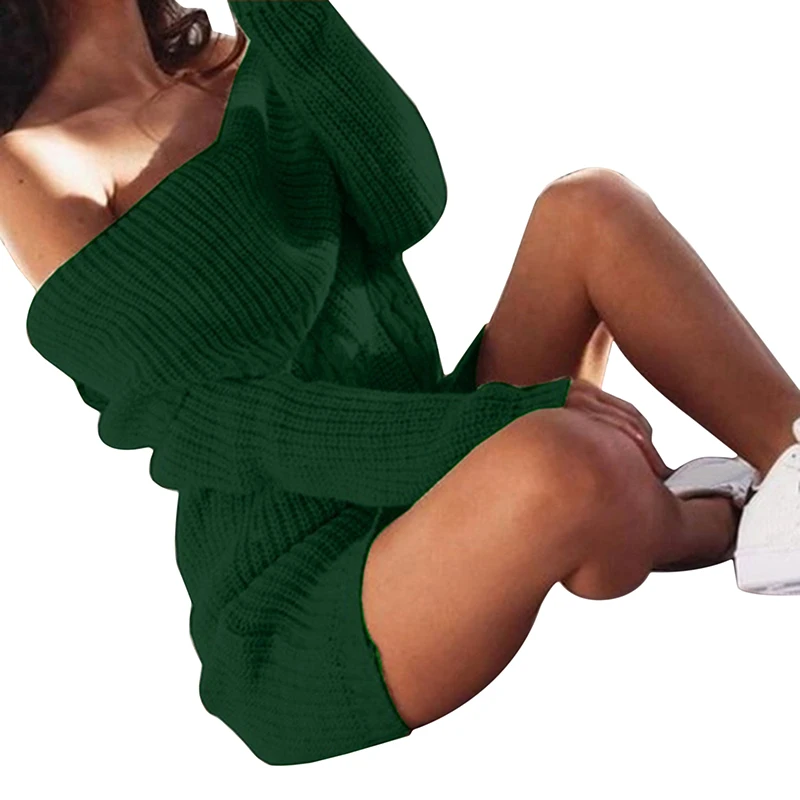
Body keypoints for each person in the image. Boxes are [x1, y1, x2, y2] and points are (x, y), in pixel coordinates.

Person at [2, 0, 799, 765]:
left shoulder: (237, 59)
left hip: (434, 459)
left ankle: (788, 463)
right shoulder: (33, 162)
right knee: (572, 462)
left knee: (590, 209)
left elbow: (407, 204)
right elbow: (217, 421)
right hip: (307, 596)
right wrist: (491, 427)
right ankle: (714, 517)